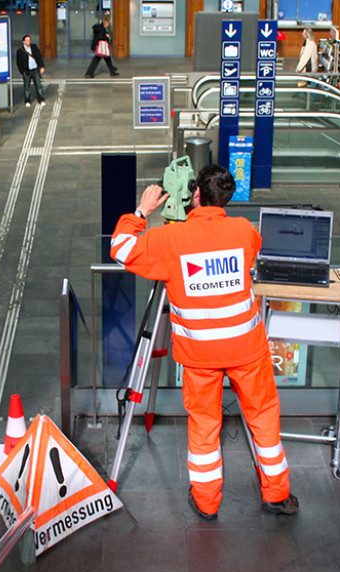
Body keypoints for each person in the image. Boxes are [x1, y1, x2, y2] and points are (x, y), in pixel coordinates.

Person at [109, 165, 297, 521]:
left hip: (200, 355)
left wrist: (141, 211)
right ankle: (278, 495)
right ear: (226, 198)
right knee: (263, 419)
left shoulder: (172, 240)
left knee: (204, 425)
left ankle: (208, 502)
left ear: (195, 195)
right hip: (247, 349)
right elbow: (249, 253)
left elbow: (120, 249)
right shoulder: (244, 231)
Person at [15, 35, 46, 106]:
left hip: (35, 70)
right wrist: (22, 71)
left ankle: (40, 98)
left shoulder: (34, 47)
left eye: (29, 40)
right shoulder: (20, 51)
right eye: (27, 40)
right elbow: (19, 63)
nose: (28, 41)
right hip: (27, 71)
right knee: (27, 86)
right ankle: (27, 100)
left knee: (38, 85)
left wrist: (41, 66)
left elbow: (39, 57)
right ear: (23, 41)